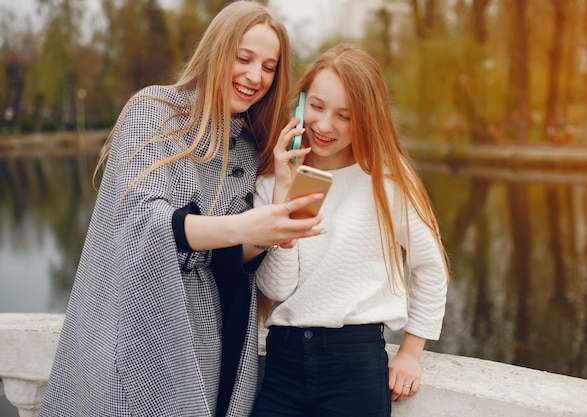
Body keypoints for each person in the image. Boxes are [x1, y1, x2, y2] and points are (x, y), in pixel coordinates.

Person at [39, 2, 323, 417]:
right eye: (243, 58)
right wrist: (244, 225)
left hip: (210, 337)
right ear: (216, 51)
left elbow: (229, 258)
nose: (255, 76)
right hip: (139, 323)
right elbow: (140, 222)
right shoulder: (153, 110)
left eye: (269, 67)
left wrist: (276, 208)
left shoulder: (247, 147)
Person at [251, 43, 449, 417]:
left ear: (368, 118)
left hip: (354, 365)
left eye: (345, 115)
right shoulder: (273, 179)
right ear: (301, 103)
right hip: (283, 365)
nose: (325, 126)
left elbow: (431, 268)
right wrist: (283, 195)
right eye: (317, 107)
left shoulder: (386, 178)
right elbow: (277, 289)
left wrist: (410, 352)